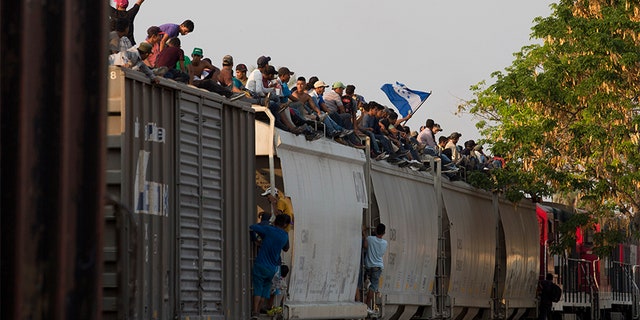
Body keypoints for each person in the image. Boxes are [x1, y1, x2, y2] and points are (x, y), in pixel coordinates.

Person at [249, 214, 291, 320]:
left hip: (261, 264)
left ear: (276, 221)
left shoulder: (269, 229)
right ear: (285, 224)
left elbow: (253, 227)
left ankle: (255, 313)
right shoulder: (285, 235)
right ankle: (260, 310)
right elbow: (286, 248)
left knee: (258, 289)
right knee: (265, 290)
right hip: (272, 268)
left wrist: (265, 225)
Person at [363, 223, 388, 313]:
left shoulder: (370, 239)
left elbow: (365, 246)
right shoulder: (385, 243)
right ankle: (366, 305)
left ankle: (366, 284)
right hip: (378, 267)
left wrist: (364, 232)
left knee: (366, 280)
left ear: (376, 229)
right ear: (384, 233)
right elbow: (381, 254)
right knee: (374, 287)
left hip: (368, 266)